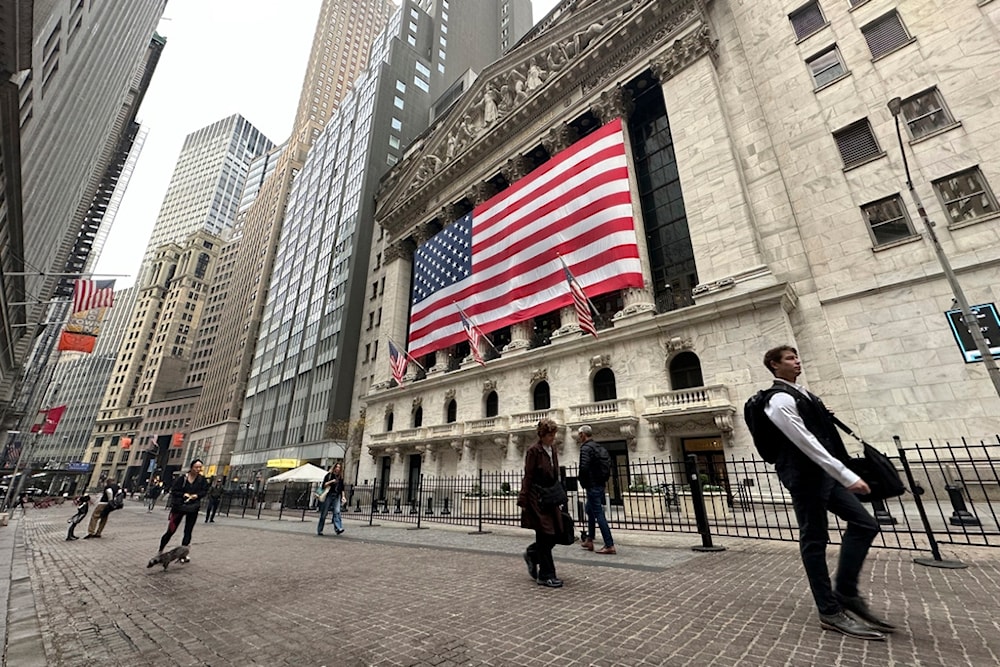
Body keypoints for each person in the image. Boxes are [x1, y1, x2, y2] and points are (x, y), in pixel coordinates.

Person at [761, 345, 892, 641]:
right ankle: (829, 612)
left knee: (865, 523)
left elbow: (818, 433)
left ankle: (845, 591)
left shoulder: (803, 395)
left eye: (797, 357)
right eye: (790, 359)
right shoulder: (778, 399)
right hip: (805, 478)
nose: (798, 362)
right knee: (814, 539)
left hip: (825, 476)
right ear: (774, 365)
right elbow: (805, 442)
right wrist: (846, 475)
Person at [517, 418, 566, 588]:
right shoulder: (533, 451)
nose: (553, 437)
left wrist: (560, 495)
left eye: (554, 434)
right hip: (536, 497)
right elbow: (528, 476)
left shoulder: (552, 449)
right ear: (542, 434)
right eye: (550, 435)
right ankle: (546, 575)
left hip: (550, 497)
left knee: (556, 534)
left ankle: (531, 553)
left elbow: (555, 473)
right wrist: (523, 500)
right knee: (545, 534)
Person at [151, 460, 208, 565]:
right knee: (171, 530)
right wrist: (184, 494)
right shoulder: (182, 479)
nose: (198, 469)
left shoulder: (202, 480)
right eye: (196, 467)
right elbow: (174, 491)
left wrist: (197, 495)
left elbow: (204, 491)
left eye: (200, 467)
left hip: (193, 507)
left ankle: (183, 554)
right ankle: (160, 550)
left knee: (188, 531)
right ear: (191, 467)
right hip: (179, 507)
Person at [577, 425, 615, 555]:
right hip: (600, 484)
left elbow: (584, 467)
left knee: (598, 513)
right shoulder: (599, 447)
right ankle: (589, 539)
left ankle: (609, 544)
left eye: (579, 435)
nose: (579, 437)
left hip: (592, 485)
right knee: (589, 509)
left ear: (583, 435)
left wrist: (582, 481)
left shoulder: (586, 448)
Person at [317, 462, 345, 536]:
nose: (338, 469)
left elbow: (342, 488)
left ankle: (338, 528)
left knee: (337, 512)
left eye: (339, 467)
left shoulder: (340, 477)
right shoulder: (329, 475)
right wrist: (331, 481)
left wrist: (343, 497)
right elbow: (323, 485)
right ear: (334, 467)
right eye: (337, 467)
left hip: (337, 496)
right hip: (328, 495)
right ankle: (320, 530)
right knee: (324, 513)